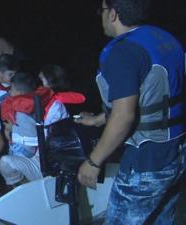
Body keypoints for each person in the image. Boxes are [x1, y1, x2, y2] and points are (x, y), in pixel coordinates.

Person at [75, 0, 186, 224]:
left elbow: (125, 116)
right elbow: (155, 99)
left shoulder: (123, 52)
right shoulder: (164, 39)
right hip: (177, 153)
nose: (101, 16)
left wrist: (94, 162)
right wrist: (100, 119)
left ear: (114, 13)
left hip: (146, 162)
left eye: (102, 10)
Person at [0, 72, 85, 187]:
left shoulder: (57, 108)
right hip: (35, 156)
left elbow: (54, 143)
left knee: (6, 161)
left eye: (41, 80)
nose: (37, 84)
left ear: (51, 85)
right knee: (5, 163)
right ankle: (24, 188)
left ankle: (34, 190)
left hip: (47, 162)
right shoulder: (30, 104)